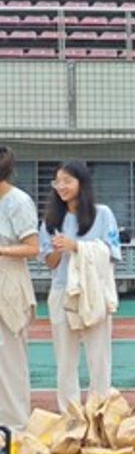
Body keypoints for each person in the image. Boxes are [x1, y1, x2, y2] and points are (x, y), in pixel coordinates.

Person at [39, 160, 121, 412]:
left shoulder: (103, 214)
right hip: (62, 292)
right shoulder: (51, 220)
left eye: (67, 181)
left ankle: (99, 412)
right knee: (65, 360)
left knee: (99, 358)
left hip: (94, 293)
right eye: (57, 182)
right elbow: (50, 262)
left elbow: (112, 252)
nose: (61, 187)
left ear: (81, 183)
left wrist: (77, 246)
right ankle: (70, 414)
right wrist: (58, 248)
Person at [0, 147, 38, 430]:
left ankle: (14, 429)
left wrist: (1, 250)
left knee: (9, 360)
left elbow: (33, 247)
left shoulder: (18, 202)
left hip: (9, 283)